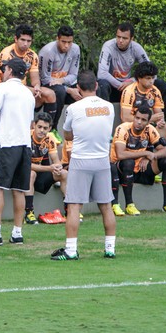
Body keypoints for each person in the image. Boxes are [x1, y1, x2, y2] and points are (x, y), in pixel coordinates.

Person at [51, 70, 116, 261]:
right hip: (102, 160)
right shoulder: (109, 107)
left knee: (74, 206)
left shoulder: (74, 109)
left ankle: (71, 250)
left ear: (78, 88)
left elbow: (67, 135)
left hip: (80, 160)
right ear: (96, 85)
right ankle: (110, 248)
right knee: (106, 206)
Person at [0, 58, 35, 247]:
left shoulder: (2, 88)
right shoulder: (29, 94)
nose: (3, 71)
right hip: (25, 145)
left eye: (5, 68)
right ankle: (17, 233)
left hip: (6, 145)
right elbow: (30, 121)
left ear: (11, 70)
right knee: (20, 190)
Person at [119, 61, 166, 182]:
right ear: (139, 78)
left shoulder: (155, 91)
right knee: (147, 133)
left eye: (153, 78)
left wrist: (161, 121)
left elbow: (159, 114)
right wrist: (150, 120)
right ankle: (150, 169)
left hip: (150, 127)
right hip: (134, 130)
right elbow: (125, 118)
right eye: (148, 78)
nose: (151, 81)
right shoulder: (129, 91)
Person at [110, 106, 166, 215]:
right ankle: (129, 205)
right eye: (137, 118)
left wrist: (151, 156)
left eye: (143, 120)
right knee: (129, 162)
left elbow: (165, 151)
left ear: (148, 122)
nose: (139, 122)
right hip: (121, 170)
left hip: (141, 168)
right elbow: (120, 154)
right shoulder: (123, 128)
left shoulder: (150, 129)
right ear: (133, 117)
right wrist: (145, 154)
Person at [0, 24, 57, 135]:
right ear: (15, 39)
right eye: (22, 40)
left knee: (50, 94)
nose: (25, 44)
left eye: (28, 41)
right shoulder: (6, 54)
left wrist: (37, 87)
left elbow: (35, 78)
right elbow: (5, 81)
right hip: (7, 89)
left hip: (24, 88)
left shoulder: (32, 55)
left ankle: (48, 132)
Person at [97, 22, 166, 118]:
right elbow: (101, 74)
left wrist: (132, 81)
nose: (120, 40)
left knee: (161, 84)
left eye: (124, 38)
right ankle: (103, 120)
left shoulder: (136, 48)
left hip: (130, 86)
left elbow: (152, 72)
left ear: (131, 39)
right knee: (102, 84)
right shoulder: (108, 46)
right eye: (118, 37)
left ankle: (162, 122)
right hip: (113, 85)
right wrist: (120, 85)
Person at [25, 112, 68, 224]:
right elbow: (26, 165)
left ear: (49, 128)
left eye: (45, 128)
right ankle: (29, 213)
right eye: (39, 127)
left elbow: (55, 160)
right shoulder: (26, 137)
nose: (42, 130)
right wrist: (50, 168)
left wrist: (58, 167)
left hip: (40, 171)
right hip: (23, 174)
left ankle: (69, 210)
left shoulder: (50, 138)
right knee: (31, 174)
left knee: (64, 173)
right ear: (34, 125)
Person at [38, 25, 81, 137]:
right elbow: (45, 79)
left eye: (69, 42)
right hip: (50, 85)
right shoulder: (47, 52)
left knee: (87, 90)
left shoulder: (76, 49)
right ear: (57, 39)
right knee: (60, 91)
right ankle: (53, 128)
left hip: (65, 83)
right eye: (63, 42)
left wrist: (62, 80)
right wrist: (68, 90)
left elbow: (74, 74)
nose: (66, 45)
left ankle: (81, 129)